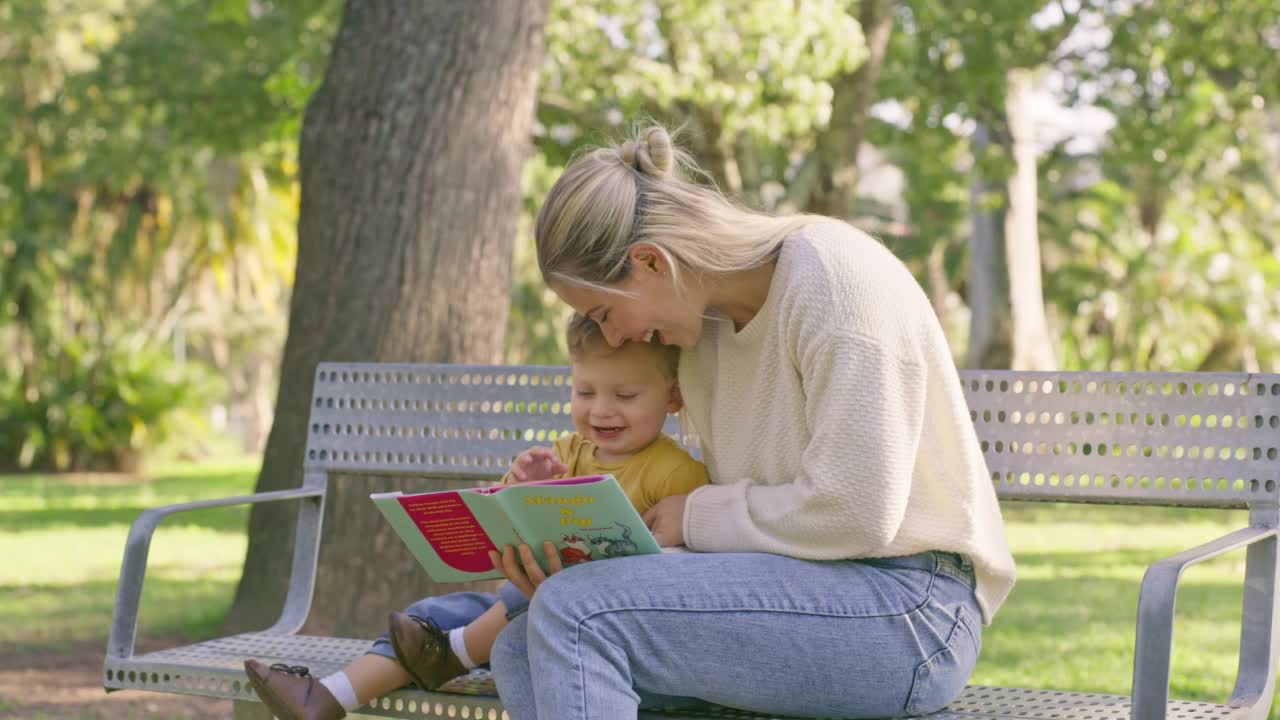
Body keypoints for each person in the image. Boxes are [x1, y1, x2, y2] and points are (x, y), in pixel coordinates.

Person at [485, 124, 1018, 720]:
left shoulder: (837, 282)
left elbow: (858, 513)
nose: (613, 338)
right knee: (521, 648)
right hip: (791, 589)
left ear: (651, 262)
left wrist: (697, 516)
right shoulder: (703, 331)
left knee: (577, 615)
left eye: (605, 313)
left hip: (908, 608)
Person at [242, 313, 708, 720]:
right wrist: (522, 487)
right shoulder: (568, 453)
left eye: (624, 395)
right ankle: (326, 697)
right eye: (584, 390)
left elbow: (687, 578)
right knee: (432, 617)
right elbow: (510, 523)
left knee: (535, 595)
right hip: (523, 617)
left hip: (604, 637)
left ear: (673, 396)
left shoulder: (676, 474)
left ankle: (454, 652)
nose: (601, 409)